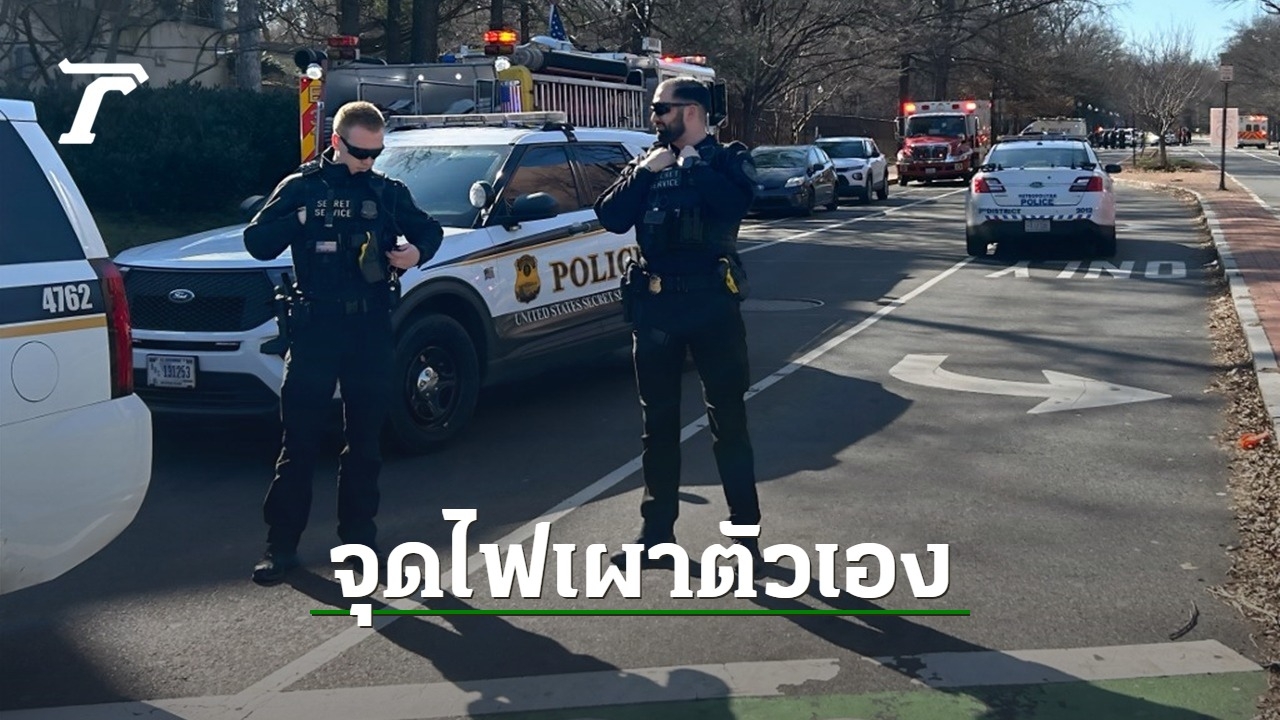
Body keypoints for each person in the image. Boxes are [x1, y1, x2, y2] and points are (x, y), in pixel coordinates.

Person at [243, 101, 443, 585]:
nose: (367, 162)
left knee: (365, 443)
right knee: (300, 442)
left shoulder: (386, 191)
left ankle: (359, 544)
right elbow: (258, 242)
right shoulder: (301, 188)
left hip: (369, 327)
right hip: (316, 328)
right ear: (336, 142)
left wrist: (415, 253)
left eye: (376, 153)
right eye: (360, 153)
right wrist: (299, 220)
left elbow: (429, 231)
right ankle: (280, 547)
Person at [593, 77, 762, 564]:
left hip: (712, 305)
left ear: (690, 112)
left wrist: (693, 167)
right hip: (656, 307)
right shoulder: (648, 162)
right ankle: (656, 534)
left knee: (728, 422)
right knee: (658, 424)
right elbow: (610, 216)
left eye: (661, 109)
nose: (654, 118)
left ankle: (746, 538)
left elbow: (736, 205)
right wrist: (646, 173)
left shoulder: (726, 160)